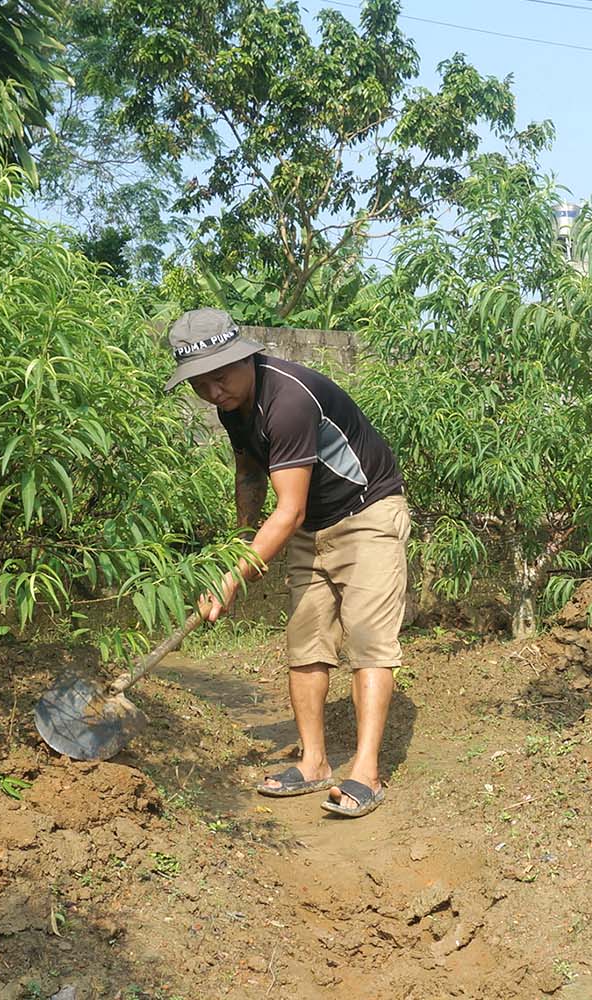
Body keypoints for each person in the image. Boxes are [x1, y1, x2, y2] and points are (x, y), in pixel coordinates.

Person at [164, 308, 410, 817]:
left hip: (367, 514)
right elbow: (250, 476)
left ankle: (365, 769)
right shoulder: (233, 406)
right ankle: (314, 761)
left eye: (220, 376)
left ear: (245, 357)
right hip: (308, 526)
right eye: (200, 383)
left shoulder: (289, 399)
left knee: (368, 638)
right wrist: (236, 549)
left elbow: (289, 506)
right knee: (307, 639)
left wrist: (234, 577)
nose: (213, 392)